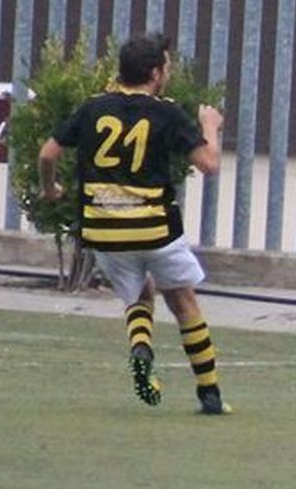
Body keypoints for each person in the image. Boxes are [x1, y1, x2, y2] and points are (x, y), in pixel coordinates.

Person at [38, 32, 232, 415]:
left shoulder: (93, 108)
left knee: (139, 295)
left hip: (103, 226)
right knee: (183, 301)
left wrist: (51, 188)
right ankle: (209, 394)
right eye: (167, 66)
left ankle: (141, 348)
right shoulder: (166, 112)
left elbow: (48, 153)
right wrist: (210, 124)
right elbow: (210, 164)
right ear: (156, 72)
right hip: (155, 226)